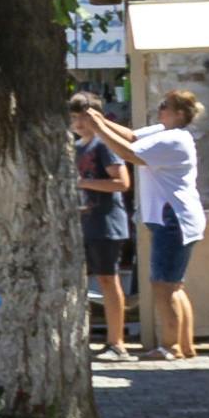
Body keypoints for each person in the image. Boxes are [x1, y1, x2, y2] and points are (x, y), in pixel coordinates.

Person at [130, 90, 209, 358]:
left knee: (163, 285)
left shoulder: (173, 139)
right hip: (177, 217)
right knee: (174, 284)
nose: (160, 109)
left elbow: (129, 152)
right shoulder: (164, 133)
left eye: (165, 106)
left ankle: (170, 345)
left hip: (172, 218)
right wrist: (100, 122)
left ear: (179, 114)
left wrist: (97, 127)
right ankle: (185, 345)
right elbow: (131, 137)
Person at [74, 99, 141, 356]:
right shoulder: (76, 147)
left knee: (108, 279)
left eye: (84, 117)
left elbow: (122, 183)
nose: (79, 123)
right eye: (74, 117)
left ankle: (117, 342)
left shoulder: (104, 146)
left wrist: (82, 183)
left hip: (106, 222)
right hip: (83, 222)